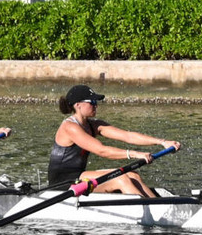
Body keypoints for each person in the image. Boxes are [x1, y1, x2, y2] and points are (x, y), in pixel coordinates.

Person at [48, 84, 180, 198]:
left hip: (79, 176)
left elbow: (128, 136)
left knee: (132, 175)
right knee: (120, 178)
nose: (96, 105)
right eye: (92, 102)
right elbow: (102, 150)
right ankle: (150, 210)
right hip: (63, 183)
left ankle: (156, 205)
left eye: (96, 102)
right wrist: (136, 154)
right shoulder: (69, 127)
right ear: (78, 105)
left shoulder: (94, 125)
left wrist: (163, 142)